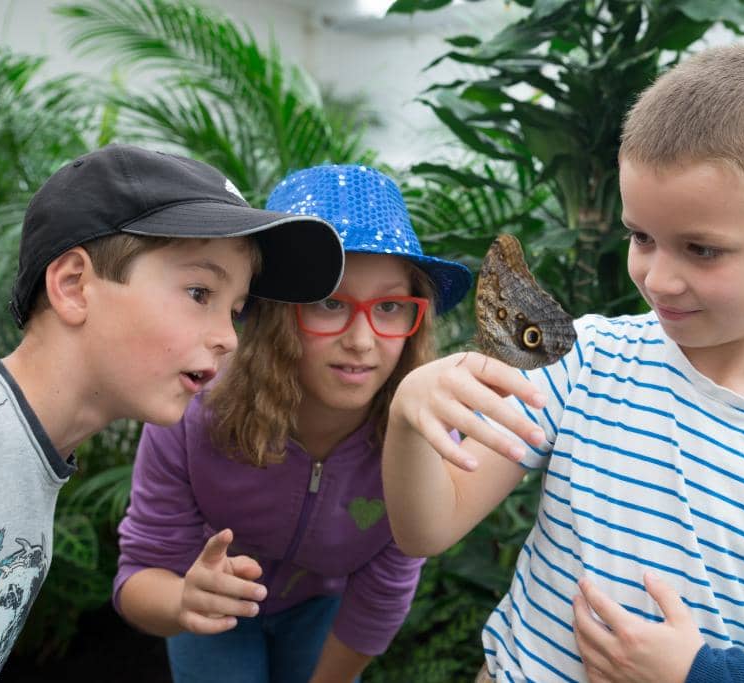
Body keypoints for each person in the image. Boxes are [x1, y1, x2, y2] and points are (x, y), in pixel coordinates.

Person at [382, 44, 744, 683]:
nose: (659, 277)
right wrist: (408, 417)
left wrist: (704, 675)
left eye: (701, 249)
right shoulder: (582, 360)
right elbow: (427, 529)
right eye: (641, 237)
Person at [0, 143, 344, 681]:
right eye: (199, 292)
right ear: (74, 286)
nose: (228, 340)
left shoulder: (31, 462)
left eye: (236, 311)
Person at [111, 164, 473, 683]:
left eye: (391, 306)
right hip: (211, 602)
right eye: (329, 303)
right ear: (272, 313)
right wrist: (183, 599)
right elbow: (140, 575)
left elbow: (384, 595)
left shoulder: (426, 435)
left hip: (325, 612)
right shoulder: (193, 410)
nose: (362, 340)